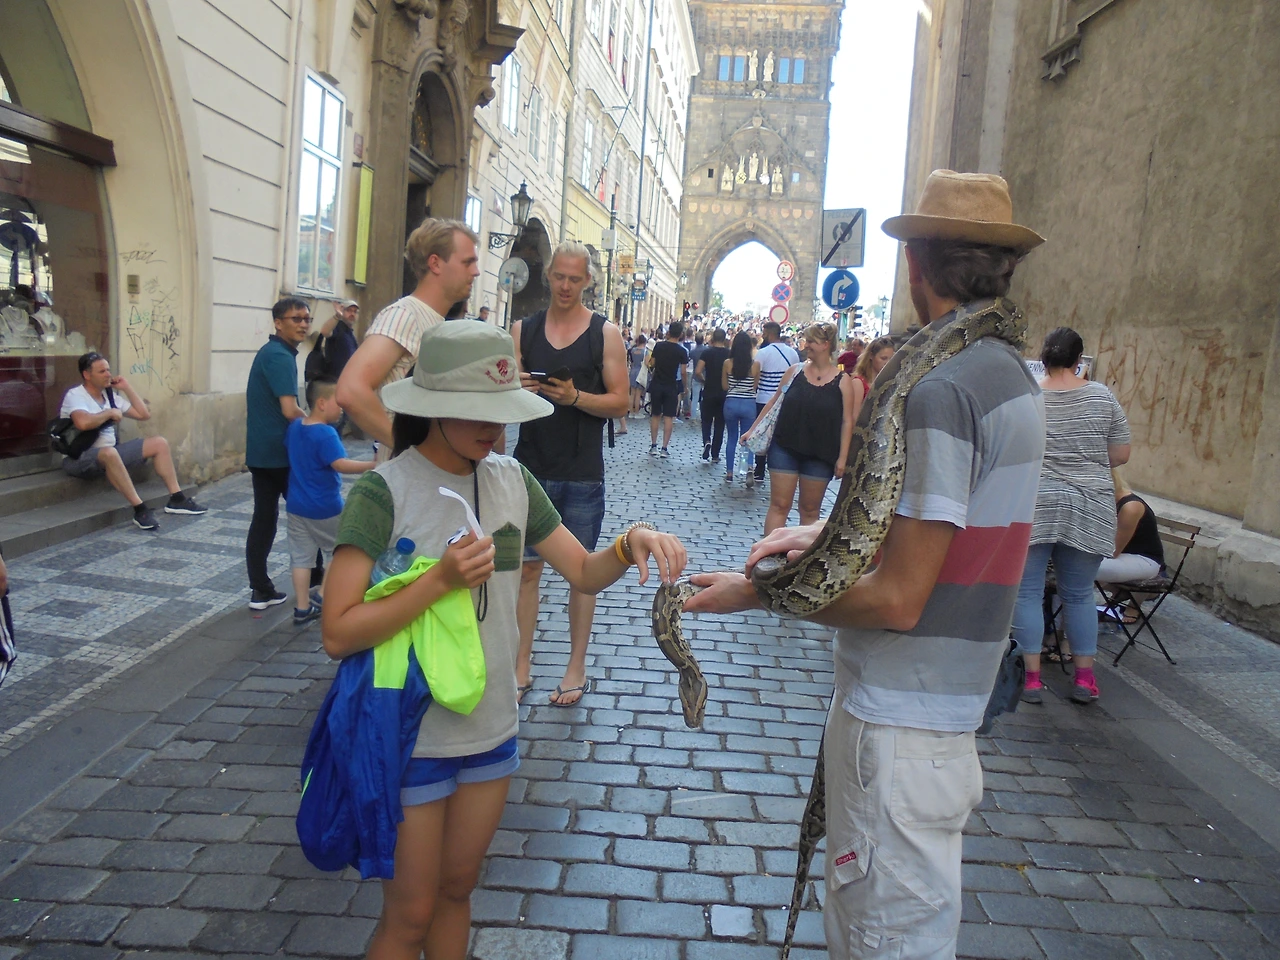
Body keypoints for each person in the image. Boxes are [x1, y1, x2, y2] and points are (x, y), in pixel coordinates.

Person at [685, 170, 1046, 960]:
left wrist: (758, 593)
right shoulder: (1015, 377)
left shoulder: (940, 390)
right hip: (943, 724)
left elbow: (899, 598)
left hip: (899, 729)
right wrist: (820, 537)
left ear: (915, 266)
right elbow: (951, 536)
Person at [322, 320, 685, 960]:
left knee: (459, 891)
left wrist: (632, 544)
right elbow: (338, 632)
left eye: (502, 411)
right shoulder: (385, 492)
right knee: (409, 916)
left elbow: (582, 571)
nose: (495, 427)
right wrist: (437, 581)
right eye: (478, 412)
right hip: (412, 733)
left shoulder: (511, 481)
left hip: (491, 730)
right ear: (433, 408)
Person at [511, 241, 630, 706]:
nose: (564, 286)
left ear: (587, 282)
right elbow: (498, 397)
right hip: (529, 468)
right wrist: (513, 387)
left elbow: (621, 402)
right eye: (558, 277)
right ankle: (521, 663)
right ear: (549, 277)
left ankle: (575, 666)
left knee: (583, 577)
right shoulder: (523, 330)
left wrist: (575, 398)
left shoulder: (606, 333)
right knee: (525, 572)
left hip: (582, 471)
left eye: (574, 279)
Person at [1013, 326, 1130, 706]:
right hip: (1089, 504)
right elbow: (1121, 454)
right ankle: (1084, 678)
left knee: (1027, 592)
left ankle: (1030, 678)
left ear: (1042, 358)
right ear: (1079, 361)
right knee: (1079, 594)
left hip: (1036, 500)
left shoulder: (1028, 396)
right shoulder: (1101, 396)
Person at [337, 218, 480, 451]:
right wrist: (407, 451)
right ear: (435, 263)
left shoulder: (433, 320)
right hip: (409, 480)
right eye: (467, 262)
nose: (476, 271)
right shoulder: (405, 315)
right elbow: (350, 390)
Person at [60, 352, 207, 531]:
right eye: (101, 371)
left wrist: (127, 388)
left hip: (109, 454)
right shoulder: (76, 395)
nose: (108, 374)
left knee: (159, 443)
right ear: (87, 375)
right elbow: (82, 423)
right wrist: (108, 413)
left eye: (108, 370)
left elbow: (143, 414)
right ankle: (140, 509)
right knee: (109, 452)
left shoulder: (110, 396)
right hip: (79, 458)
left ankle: (177, 499)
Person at [747, 322, 858, 534]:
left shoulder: (843, 381)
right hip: (784, 447)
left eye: (811, 342)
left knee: (809, 510)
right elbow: (773, 403)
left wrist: (843, 458)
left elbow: (847, 420)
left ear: (825, 345)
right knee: (779, 505)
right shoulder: (794, 372)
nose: (806, 345)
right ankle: (767, 556)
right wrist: (753, 429)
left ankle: (802, 561)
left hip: (821, 453)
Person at [285, 377, 374, 626]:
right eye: (339, 402)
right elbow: (340, 464)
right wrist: (373, 465)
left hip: (296, 506)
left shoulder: (295, 427)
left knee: (301, 558)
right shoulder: (326, 433)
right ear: (322, 403)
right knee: (340, 549)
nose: (343, 407)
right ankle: (324, 596)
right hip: (325, 507)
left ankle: (302, 608)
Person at [245, 298, 311, 608]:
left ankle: (260, 588)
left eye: (306, 319)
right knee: (312, 513)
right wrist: (316, 426)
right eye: (296, 318)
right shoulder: (281, 357)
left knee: (266, 518)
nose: (303, 324)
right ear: (278, 322)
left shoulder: (271, 353)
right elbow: (289, 410)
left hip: (262, 452)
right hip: (281, 453)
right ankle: (320, 578)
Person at [752, 321, 799, 484]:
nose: (762, 335)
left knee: (762, 432)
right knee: (780, 435)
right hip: (785, 400)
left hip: (764, 399)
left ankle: (759, 470)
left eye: (764, 333)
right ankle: (777, 469)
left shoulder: (763, 353)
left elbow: (755, 376)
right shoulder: (793, 353)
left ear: (769, 333)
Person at [721, 331, 761, 485]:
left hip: (731, 403)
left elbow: (724, 386)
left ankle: (730, 473)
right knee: (748, 438)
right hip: (749, 404)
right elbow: (754, 387)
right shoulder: (755, 365)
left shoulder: (727, 363)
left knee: (731, 437)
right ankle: (748, 468)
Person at [647, 319, 688, 457]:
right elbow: (683, 372)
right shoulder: (682, 351)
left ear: (669, 331)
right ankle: (664, 448)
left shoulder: (659, 347)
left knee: (655, 415)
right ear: (681, 334)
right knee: (669, 417)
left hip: (657, 383)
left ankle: (653, 445)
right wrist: (685, 386)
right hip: (671, 385)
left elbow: (651, 363)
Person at [696, 328, 731, 464]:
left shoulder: (707, 352)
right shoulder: (729, 354)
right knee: (720, 424)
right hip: (724, 392)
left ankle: (706, 441)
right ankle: (715, 453)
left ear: (712, 338)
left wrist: (704, 380)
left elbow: (698, 371)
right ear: (724, 339)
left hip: (709, 390)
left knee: (706, 420)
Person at [307, 299, 360, 384]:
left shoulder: (350, 333)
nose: (352, 314)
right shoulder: (337, 327)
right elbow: (325, 331)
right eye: (348, 310)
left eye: (355, 311)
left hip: (347, 381)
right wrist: (337, 316)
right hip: (335, 381)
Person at [627, 334, 648, 418]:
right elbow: (646, 363)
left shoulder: (633, 350)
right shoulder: (645, 351)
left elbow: (631, 361)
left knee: (632, 393)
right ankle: (636, 412)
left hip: (633, 371)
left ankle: (631, 412)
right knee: (638, 394)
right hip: (640, 372)